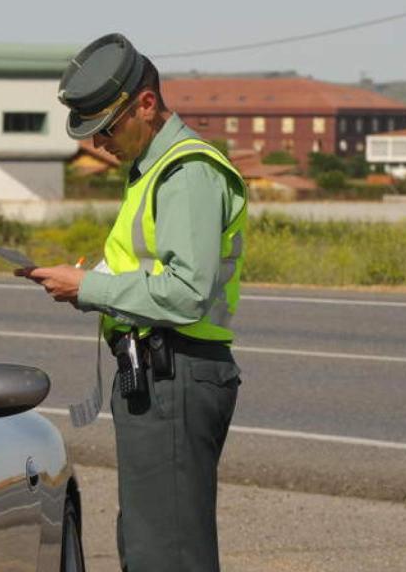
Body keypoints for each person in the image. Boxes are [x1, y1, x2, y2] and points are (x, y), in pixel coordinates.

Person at [18, 33, 247, 571]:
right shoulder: (151, 171)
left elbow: (187, 292)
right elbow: (152, 272)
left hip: (176, 370)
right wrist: (92, 280)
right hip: (160, 372)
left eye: (107, 128)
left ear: (146, 104)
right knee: (149, 542)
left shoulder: (185, 172)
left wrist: (90, 289)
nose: (99, 144)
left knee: (163, 555)